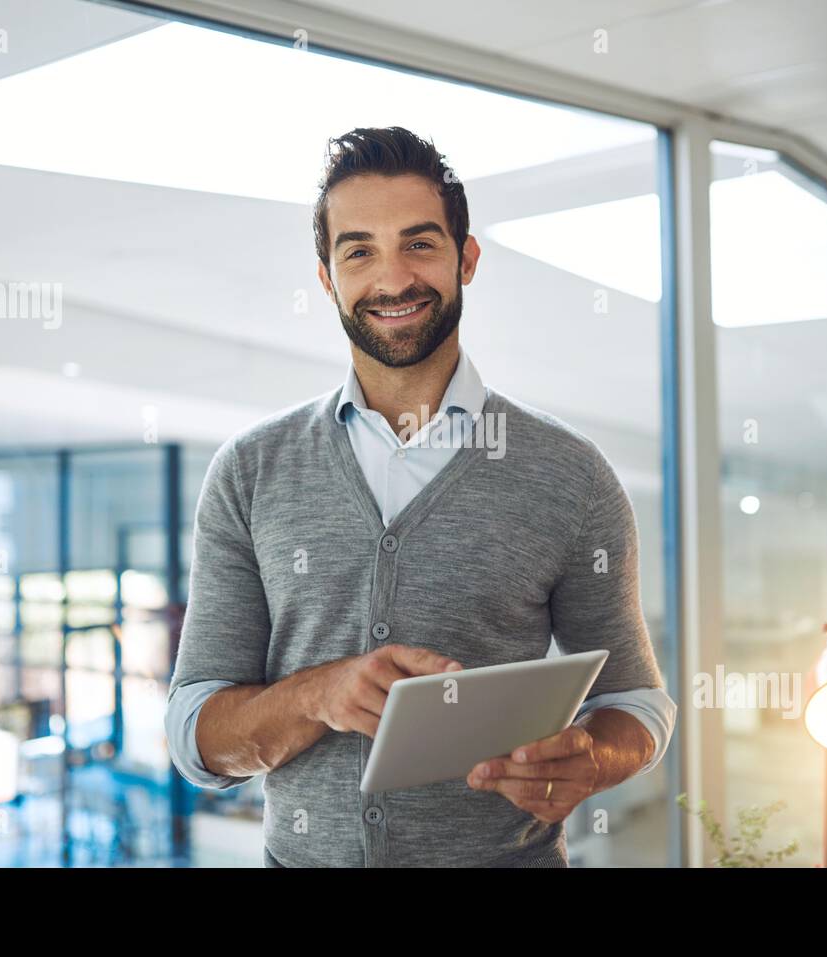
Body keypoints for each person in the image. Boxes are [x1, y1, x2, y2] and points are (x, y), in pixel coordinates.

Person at [165, 126, 676, 867]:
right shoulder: (250, 470)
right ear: (326, 276)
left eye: (420, 243)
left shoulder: (571, 474)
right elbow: (195, 736)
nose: (393, 278)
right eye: (359, 250)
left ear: (467, 258)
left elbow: (638, 702)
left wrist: (594, 755)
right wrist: (319, 693)